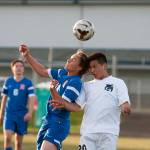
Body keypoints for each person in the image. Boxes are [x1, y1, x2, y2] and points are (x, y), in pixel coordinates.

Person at [51, 52, 131, 150]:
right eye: (90, 68)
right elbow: (76, 106)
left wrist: (125, 107)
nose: (92, 70)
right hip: (88, 133)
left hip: (108, 134)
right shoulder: (86, 86)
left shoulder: (118, 83)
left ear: (104, 66)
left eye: (94, 66)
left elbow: (124, 102)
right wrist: (64, 104)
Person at [19, 44, 89, 150]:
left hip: (59, 122)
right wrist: (27, 56)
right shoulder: (63, 73)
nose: (69, 60)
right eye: (70, 58)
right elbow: (42, 71)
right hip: (48, 119)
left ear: (79, 67)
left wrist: (53, 90)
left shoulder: (75, 82)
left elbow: (60, 104)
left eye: (73, 60)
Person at [0, 59, 36, 150]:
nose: (19, 68)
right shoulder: (8, 81)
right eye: (16, 66)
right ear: (12, 69)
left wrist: (30, 112)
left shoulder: (28, 82)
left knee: (18, 143)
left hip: (22, 115)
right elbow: (4, 98)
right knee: (7, 138)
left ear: (23, 69)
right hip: (9, 114)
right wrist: (1, 113)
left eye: (21, 66)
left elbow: (32, 98)